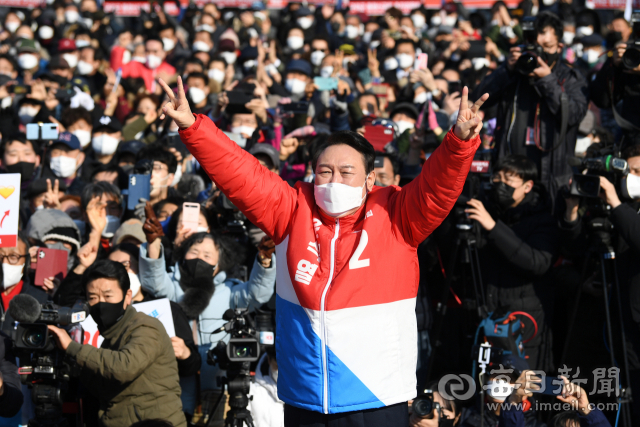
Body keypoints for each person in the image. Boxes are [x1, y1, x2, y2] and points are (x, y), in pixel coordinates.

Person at [158, 76, 488, 426]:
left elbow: (435, 189)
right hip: (306, 396)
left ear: (369, 179)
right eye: (324, 172)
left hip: (377, 396)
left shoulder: (397, 215)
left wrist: (458, 144)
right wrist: (194, 128)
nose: (333, 181)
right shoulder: (292, 209)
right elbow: (243, 175)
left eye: (346, 172)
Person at [46, 259, 187, 427]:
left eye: (108, 296)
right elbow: (105, 388)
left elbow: (124, 367)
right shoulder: (111, 336)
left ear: (127, 296)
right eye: (93, 297)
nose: (100, 303)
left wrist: (72, 348)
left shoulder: (146, 327)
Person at [473, 11, 588, 197]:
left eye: (547, 47)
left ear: (559, 47)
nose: (539, 53)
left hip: (551, 180)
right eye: (534, 47)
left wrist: (547, 80)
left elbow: (573, 114)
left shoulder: (571, 78)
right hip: (510, 177)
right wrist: (506, 70)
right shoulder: (514, 74)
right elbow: (479, 99)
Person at [464, 154, 558, 370]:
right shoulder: (486, 209)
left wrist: (493, 227)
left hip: (525, 325)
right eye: (497, 178)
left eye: (509, 179)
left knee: (522, 392)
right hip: (487, 317)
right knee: (490, 392)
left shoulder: (542, 219)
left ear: (527, 186)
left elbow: (537, 263)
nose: (501, 184)